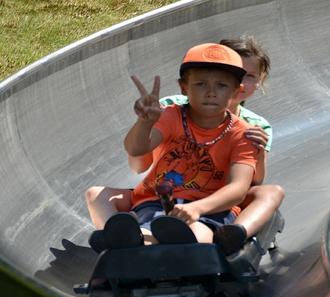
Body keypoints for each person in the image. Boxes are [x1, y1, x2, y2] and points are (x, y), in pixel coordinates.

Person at [86, 37, 284, 254]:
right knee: (108, 201)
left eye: (221, 85)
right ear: (184, 88)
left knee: (197, 233)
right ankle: (125, 238)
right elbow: (136, 151)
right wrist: (145, 122)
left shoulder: (245, 132)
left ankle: (143, 241)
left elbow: (240, 187)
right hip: (156, 203)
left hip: (208, 208)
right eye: (200, 84)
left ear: (235, 91)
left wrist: (196, 208)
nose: (211, 92)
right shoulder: (170, 114)